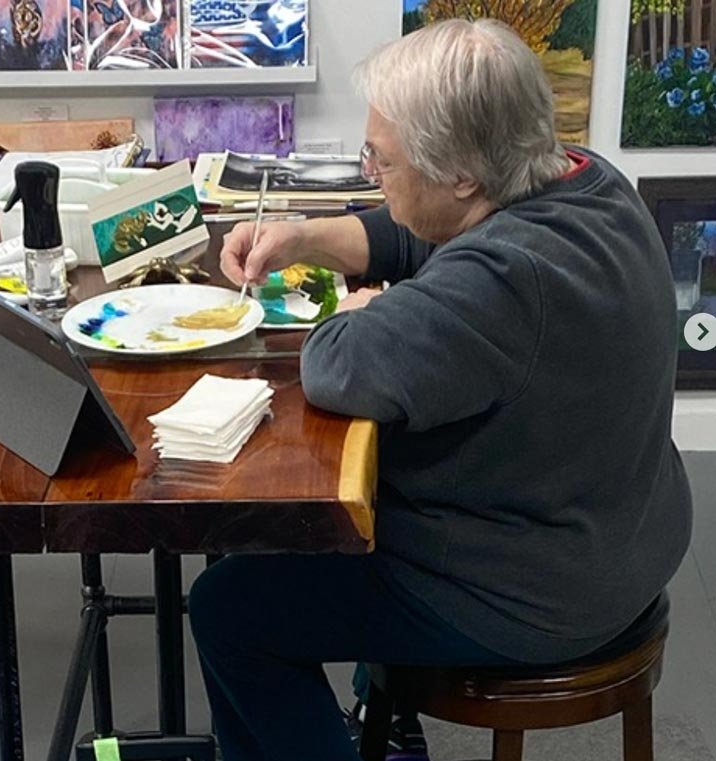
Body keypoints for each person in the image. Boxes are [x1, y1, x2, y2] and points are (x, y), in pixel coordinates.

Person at [188, 18, 693, 761]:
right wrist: (304, 236)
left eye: (383, 161)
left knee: (230, 607)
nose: (373, 173)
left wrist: (364, 312)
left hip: (540, 589)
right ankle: (385, 716)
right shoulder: (588, 181)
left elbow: (336, 365)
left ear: (462, 175)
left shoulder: (506, 278)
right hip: (623, 532)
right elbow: (415, 231)